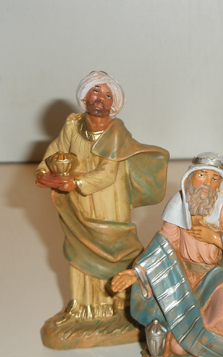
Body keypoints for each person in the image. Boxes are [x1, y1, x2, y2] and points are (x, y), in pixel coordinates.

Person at [35, 71, 169, 337]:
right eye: (96, 91)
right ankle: (83, 308)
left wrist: (76, 182)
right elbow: (56, 150)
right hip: (79, 204)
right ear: (84, 95)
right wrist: (43, 171)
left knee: (116, 249)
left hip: (109, 202)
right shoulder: (72, 125)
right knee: (80, 249)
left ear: (114, 103)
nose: (101, 99)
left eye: (108, 95)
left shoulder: (117, 131)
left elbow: (108, 173)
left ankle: (123, 306)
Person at [112, 152, 223, 357]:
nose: (207, 183)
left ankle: (194, 340)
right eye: (202, 175)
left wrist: (215, 237)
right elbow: (163, 244)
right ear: (190, 177)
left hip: (217, 275)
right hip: (183, 278)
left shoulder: (221, 209)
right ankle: (186, 339)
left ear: (219, 185)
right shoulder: (178, 206)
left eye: (214, 178)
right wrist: (137, 272)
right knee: (177, 343)